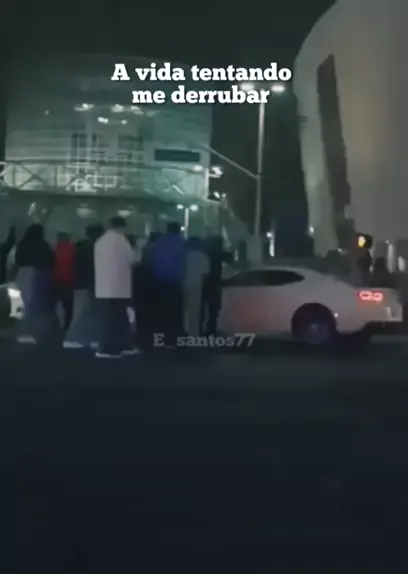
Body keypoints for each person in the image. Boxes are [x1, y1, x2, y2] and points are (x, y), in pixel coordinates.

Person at [94, 216, 139, 358]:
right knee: (117, 319)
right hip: (119, 286)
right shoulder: (121, 240)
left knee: (108, 318)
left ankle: (117, 346)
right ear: (121, 227)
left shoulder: (100, 241)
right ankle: (108, 349)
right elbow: (132, 259)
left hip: (103, 286)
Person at [63, 224, 104, 349]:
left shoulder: (79, 245)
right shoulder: (102, 246)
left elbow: (72, 264)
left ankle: (76, 337)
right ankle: (94, 337)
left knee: (80, 312)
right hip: (98, 283)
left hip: (80, 283)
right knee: (96, 313)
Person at [14, 224, 56, 344]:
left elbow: (18, 259)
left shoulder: (23, 244)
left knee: (21, 305)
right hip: (40, 276)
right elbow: (51, 260)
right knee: (37, 305)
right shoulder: (44, 245)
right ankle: (37, 332)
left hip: (23, 274)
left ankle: (21, 330)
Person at [149, 222, 186, 346]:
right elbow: (184, 263)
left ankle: (161, 338)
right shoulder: (181, 243)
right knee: (176, 312)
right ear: (178, 230)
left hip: (159, 282)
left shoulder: (160, 242)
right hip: (175, 282)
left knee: (163, 311)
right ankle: (174, 339)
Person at [201, 236, 231, 335]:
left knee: (204, 306)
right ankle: (211, 327)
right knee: (214, 307)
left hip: (206, 281)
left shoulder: (208, 252)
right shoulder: (218, 252)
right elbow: (230, 258)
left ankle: (202, 327)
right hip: (215, 282)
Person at [184, 236, 209, 336]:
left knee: (183, 311)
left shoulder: (184, 255)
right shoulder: (203, 257)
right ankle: (193, 334)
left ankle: (183, 332)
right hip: (196, 286)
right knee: (194, 312)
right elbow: (206, 274)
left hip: (182, 285)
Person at [53, 232, 75, 331]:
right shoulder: (73, 249)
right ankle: (67, 326)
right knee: (68, 306)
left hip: (56, 280)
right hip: (69, 281)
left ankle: (55, 325)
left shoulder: (56, 250)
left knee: (54, 305)